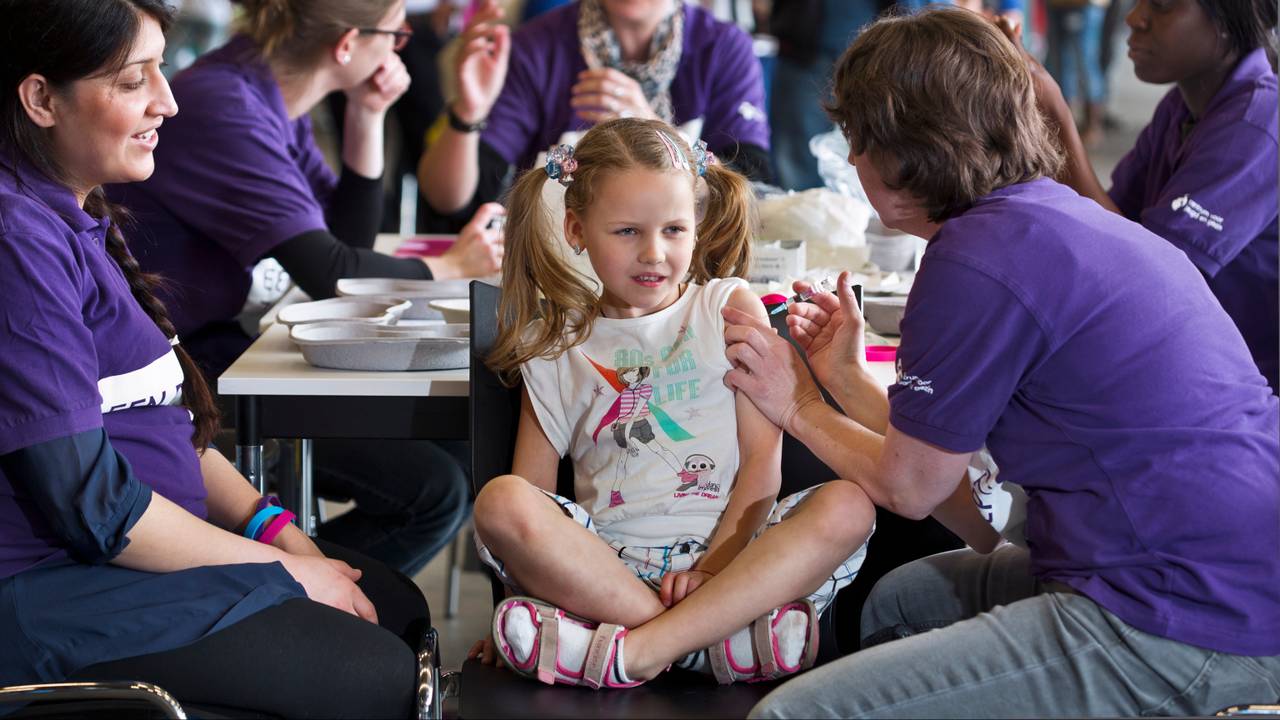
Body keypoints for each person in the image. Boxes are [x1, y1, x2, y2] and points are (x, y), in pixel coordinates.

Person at [712, 9, 1276, 716]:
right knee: (900, 601)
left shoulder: (974, 260)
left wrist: (796, 402)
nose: (851, 160)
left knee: (791, 713)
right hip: (1227, 567)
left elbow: (911, 489)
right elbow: (956, 484)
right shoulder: (1045, 216)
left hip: (1185, 612)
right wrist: (848, 381)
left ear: (900, 152)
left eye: (856, 138)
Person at [0, 2, 428, 716]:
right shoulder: (18, 239)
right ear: (41, 99)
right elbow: (94, 508)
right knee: (376, 669)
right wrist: (285, 571)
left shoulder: (77, 213)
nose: (167, 101)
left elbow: (166, 426)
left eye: (160, 71)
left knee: (398, 607)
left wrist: (278, 532)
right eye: (133, 80)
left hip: (118, 564)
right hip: (54, 589)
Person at [466, 118, 878, 687]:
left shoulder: (727, 308)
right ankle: (712, 642)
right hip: (606, 573)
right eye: (627, 231)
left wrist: (713, 571)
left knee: (849, 505)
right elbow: (534, 495)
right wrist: (528, 584)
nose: (653, 253)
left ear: (697, 227)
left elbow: (761, 467)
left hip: (738, 563)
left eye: (675, 230)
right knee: (501, 502)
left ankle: (632, 647)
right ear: (577, 229)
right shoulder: (556, 345)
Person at [108, 0, 504, 577]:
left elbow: (342, 240)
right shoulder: (226, 106)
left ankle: (304, 586)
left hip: (229, 342)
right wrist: (451, 265)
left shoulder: (266, 91)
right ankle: (285, 587)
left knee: (465, 451)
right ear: (347, 45)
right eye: (396, 34)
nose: (400, 46)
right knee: (433, 491)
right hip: (184, 364)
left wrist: (366, 115)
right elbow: (334, 272)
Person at [1007, 0, 1278, 392]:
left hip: (1238, 384)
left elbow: (1147, 277)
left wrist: (1055, 117)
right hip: (1176, 353)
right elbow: (1102, 225)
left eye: (1162, 6)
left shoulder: (1257, 123)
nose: (1134, 18)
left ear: (1227, 21)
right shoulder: (1180, 107)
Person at [417, 0, 774, 228]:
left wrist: (654, 131)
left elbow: (752, 194)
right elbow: (448, 201)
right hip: (560, 266)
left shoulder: (724, 48)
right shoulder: (536, 46)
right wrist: (467, 112)